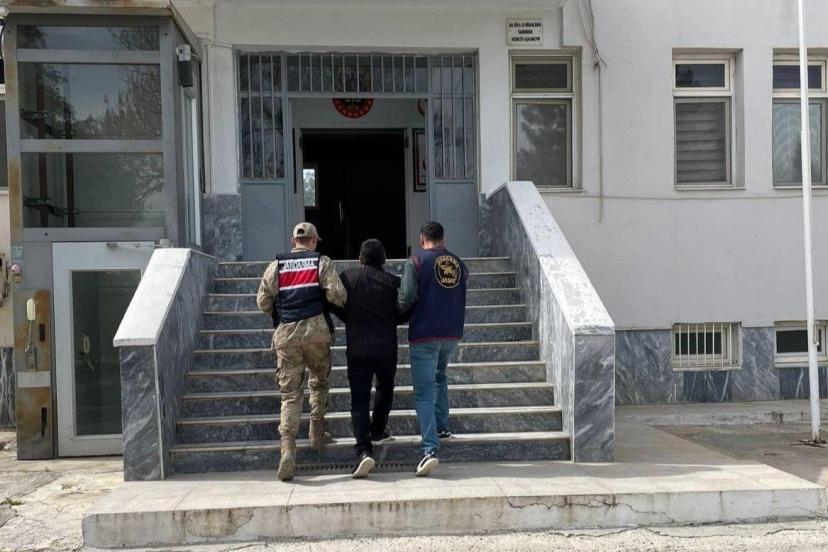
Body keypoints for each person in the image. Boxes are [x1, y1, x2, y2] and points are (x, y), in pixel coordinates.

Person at [256, 222, 347, 481]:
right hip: (317, 333)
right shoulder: (321, 262)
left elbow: (262, 301)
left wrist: (281, 315)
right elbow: (338, 295)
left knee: (290, 394)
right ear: (314, 240)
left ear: (293, 241)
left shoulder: (277, 266)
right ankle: (316, 433)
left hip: (286, 336)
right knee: (319, 382)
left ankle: (288, 448)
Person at [330, 239, 407, 478]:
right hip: (386, 348)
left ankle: (363, 451)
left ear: (360, 259)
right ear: (384, 260)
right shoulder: (393, 282)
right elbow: (402, 312)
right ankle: (377, 430)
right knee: (385, 388)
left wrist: (349, 317)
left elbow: (333, 302)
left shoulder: (347, 277)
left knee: (359, 400)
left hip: (358, 348)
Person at [397, 221, 468, 477]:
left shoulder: (416, 261)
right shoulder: (459, 264)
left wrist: (397, 312)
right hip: (451, 332)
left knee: (424, 393)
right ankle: (442, 425)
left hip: (425, 333)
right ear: (443, 239)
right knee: (440, 375)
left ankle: (430, 449)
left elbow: (406, 297)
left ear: (421, 239)